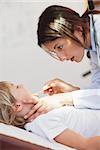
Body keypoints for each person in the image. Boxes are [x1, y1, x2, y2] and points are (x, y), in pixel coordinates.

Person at [24, 1, 100, 120]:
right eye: (55, 52)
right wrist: (71, 90)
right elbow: (97, 90)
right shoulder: (92, 46)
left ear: (78, 29)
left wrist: (64, 98)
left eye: (59, 47)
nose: (61, 58)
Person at [0, 81, 100, 150]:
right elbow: (86, 145)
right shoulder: (42, 122)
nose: (21, 85)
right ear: (17, 106)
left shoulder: (46, 110)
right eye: (17, 87)